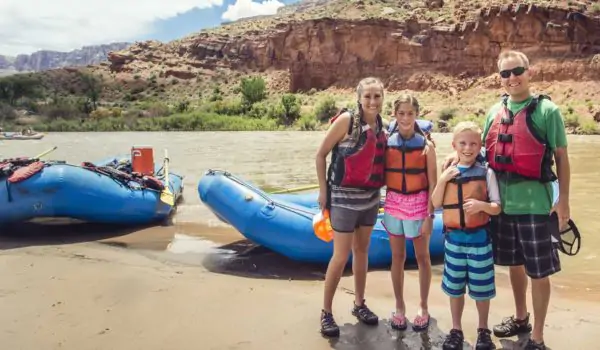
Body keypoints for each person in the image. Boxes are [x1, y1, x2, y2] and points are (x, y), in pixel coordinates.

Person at [442, 50, 570, 350]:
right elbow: (481, 149)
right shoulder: (493, 112)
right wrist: (455, 155)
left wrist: (563, 201)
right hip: (503, 205)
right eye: (505, 74)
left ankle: (537, 336)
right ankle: (521, 317)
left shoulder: (547, 111)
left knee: (538, 270)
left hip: (536, 205)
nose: (512, 78)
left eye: (517, 71)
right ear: (499, 77)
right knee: (514, 264)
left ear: (529, 72)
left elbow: (562, 158)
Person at [315, 77, 388, 337]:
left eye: (377, 96)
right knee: (341, 255)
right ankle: (326, 312)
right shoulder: (347, 121)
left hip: (370, 199)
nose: (372, 101)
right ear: (359, 98)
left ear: (383, 98)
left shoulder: (382, 126)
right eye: (367, 96)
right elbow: (320, 154)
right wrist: (324, 191)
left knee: (362, 251)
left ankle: (359, 304)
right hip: (344, 199)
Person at [433, 121, 501, 350]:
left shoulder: (486, 173)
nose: (467, 148)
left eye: (473, 143)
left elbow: (496, 207)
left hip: (480, 241)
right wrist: (442, 179)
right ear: (454, 145)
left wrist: (482, 205)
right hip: (454, 241)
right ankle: (456, 330)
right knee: (455, 289)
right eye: (462, 143)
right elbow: (435, 203)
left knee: (481, 290)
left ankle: (483, 330)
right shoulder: (448, 172)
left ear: (480, 146)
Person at [382, 94, 438, 331]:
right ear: (394, 115)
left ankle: (423, 306)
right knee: (397, 258)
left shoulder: (427, 147)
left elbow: (433, 184)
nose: (405, 118)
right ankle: (399, 306)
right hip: (394, 203)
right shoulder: (386, 143)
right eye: (401, 113)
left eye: (410, 113)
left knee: (423, 258)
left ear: (417, 115)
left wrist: (429, 216)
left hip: (418, 204)